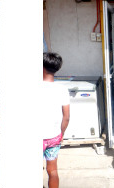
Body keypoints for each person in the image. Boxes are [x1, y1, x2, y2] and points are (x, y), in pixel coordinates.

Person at [42, 52, 70, 188]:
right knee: (52, 170)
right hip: (54, 137)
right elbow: (66, 117)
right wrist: (61, 134)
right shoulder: (62, 89)